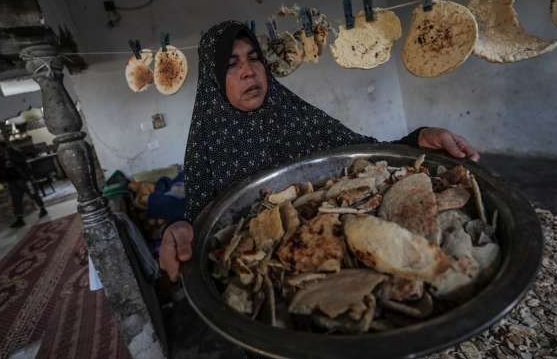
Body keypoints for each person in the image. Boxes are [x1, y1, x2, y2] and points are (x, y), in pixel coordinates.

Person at [159, 20, 479, 284]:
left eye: (253, 57)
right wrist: (179, 229)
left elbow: (364, 154)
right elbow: (199, 225)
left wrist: (418, 138)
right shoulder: (208, 145)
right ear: (213, 79)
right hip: (272, 282)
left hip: (348, 260)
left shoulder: (298, 116)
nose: (248, 71)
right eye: (232, 64)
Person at [0, 141, 47, 228]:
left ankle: (43, 209)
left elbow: (23, 161)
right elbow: (0, 170)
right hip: (12, 182)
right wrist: (1, 180)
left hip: (24, 179)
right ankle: (19, 219)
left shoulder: (15, 152)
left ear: (4, 147)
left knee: (34, 194)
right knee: (16, 201)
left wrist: (10, 159)